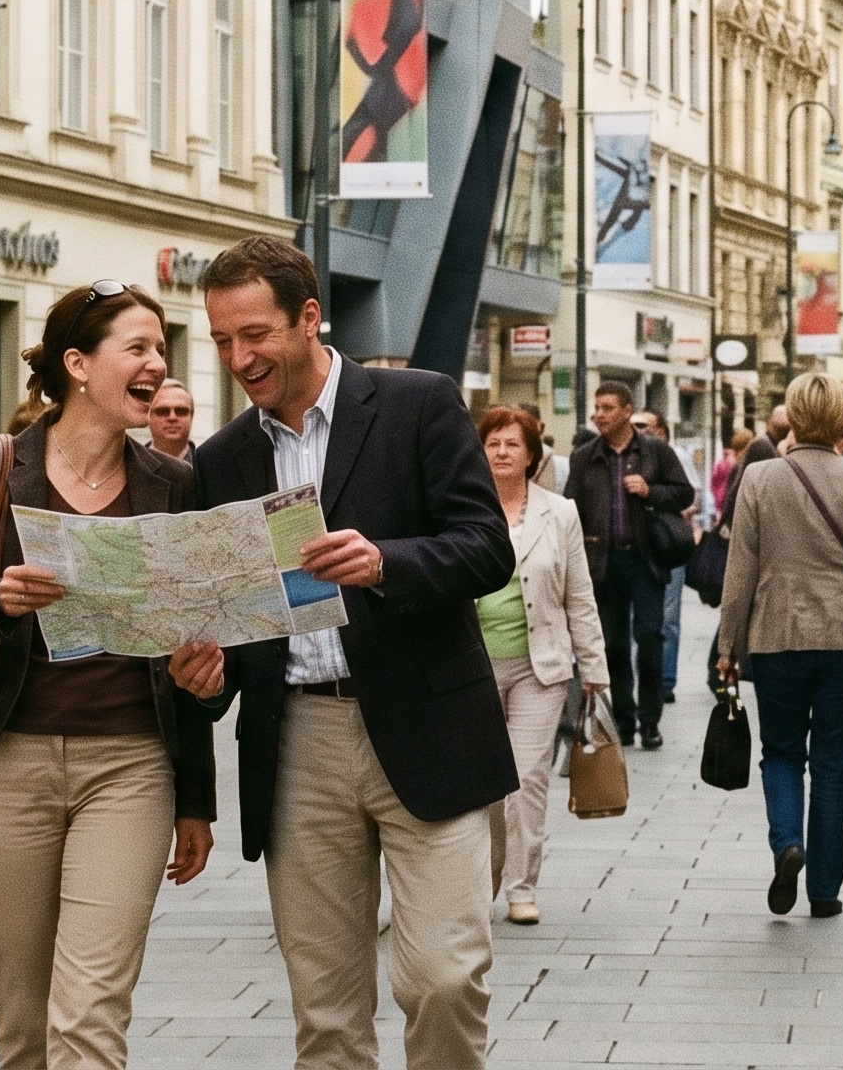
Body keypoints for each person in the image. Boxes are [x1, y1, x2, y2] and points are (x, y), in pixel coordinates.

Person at [188, 237, 517, 1070]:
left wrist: (385, 563)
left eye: (255, 334)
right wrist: (207, 673)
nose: (238, 358)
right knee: (326, 1009)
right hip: (298, 742)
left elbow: (487, 547)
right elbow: (232, 616)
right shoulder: (222, 460)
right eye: (222, 340)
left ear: (309, 318)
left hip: (428, 727)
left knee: (444, 977)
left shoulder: (418, 404)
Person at [0, 281, 224, 1070]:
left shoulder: (173, 484)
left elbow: (192, 637)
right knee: (22, 1017)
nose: (156, 364)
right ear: (79, 364)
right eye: (137, 348)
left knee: (89, 1013)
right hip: (6, 764)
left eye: (161, 350)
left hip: (130, 767)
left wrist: (196, 795)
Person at [714, 371, 843, 920]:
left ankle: (787, 842)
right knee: (834, 765)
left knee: (782, 751)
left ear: (790, 416)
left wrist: (728, 645)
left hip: (778, 636)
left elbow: (740, 572)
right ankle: (824, 890)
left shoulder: (760, 477)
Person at [476, 405, 607, 927]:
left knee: (526, 778)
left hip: (541, 666)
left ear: (531, 454)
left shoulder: (560, 512)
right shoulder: (462, 509)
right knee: (484, 785)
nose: (502, 452)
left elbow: (580, 595)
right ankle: (481, 883)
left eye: (513, 444)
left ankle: (522, 888)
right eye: (493, 443)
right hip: (474, 668)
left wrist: (594, 669)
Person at [565, 384, 693, 750]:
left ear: (626, 411)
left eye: (607, 408)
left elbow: (684, 493)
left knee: (650, 636)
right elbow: (570, 508)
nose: (599, 414)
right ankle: (623, 719)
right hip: (604, 563)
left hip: (645, 559)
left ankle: (650, 720)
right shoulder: (584, 456)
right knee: (614, 644)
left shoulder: (655, 450)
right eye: (597, 407)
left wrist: (651, 491)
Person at [634, 411, 701, 707]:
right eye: (634, 425)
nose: (638, 430)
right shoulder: (628, 457)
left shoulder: (675, 456)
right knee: (637, 620)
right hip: (637, 546)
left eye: (643, 425)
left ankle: (665, 681)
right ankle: (642, 682)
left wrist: (665, 504)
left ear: (661, 430)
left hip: (668, 544)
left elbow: (693, 497)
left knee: (668, 617)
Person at [145, 379, 198, 460]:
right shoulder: (128, 465)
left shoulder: (209, 465)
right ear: (148, 416)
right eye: (163, 411)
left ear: (191, 416)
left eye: (181, 411)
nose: (172, 417)